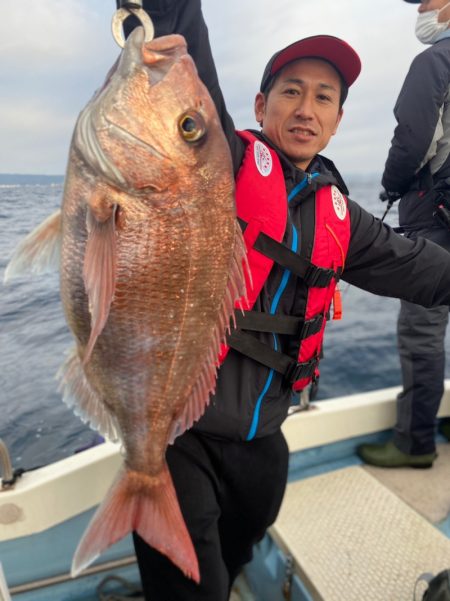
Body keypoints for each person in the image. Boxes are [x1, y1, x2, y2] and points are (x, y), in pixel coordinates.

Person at [118, 2, 450, 599]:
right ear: (258, 106)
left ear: (339, 119)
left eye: (324, 97)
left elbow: (424, 271)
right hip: (177, 438)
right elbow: (180, 49)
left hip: (264, 439)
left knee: (244, 545)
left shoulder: (340, 217)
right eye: (291, 91)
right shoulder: (221, 162)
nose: (305, 108)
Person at [357, 0, 450, 470]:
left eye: (430, 1)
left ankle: (414, 442)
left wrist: (391, 184)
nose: (424, 9)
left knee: (422, 331)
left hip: (435, 217)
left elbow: (413, 139)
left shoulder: (434, 60)